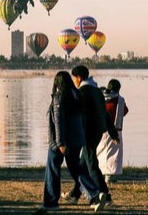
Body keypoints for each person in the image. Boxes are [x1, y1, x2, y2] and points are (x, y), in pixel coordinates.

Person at [42, 71, 106, 212]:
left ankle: (51, 202)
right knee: (76, 169)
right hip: (77, 140)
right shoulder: (76, 95)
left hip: (61, 141)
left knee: (52, 170)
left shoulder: (60, 96)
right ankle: (95, 195)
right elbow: (80, 120)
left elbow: (58, 121)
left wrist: (60, 143)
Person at [63, 65, 118, 206]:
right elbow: (104, 114)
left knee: (91, 164)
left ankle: (105, 195)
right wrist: (113, 133)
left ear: (79, 78)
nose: (74, 81)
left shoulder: (82, 92)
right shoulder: (97, 91)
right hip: (98, 131)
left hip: (86, 133)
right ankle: (74, 195)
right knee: (83, 165)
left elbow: (78, 115)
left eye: (74, 78)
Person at [97, 79, 129, 183]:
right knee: (113, 155)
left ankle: (100, 173)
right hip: (116, 129)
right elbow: (125, 111)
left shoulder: (100, 97)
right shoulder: (120, 100)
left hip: (100, 129)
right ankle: (110, 176)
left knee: (100, 153)